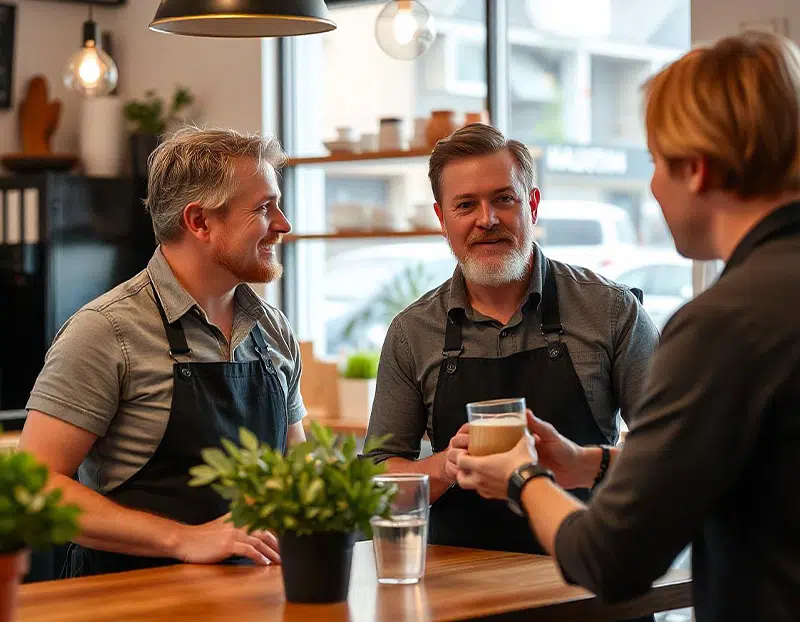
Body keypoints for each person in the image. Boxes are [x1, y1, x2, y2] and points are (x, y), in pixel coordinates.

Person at [452, 31, 800, 621]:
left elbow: (611, 559)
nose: (653, 186)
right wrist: (591, 464)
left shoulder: (723, 324)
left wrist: (522, 477)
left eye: (657, 162)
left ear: (698, 168)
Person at [18, 127, 307, 577]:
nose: (284, 224)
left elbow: (298, 471)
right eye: (264, 208)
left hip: (250, 595)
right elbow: (36, 484)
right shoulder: (106, 331)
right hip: (125, 596)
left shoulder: (274, 333)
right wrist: (184, 540)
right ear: (199, 222)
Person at [364, 123, 659, 555]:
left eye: (504, 199)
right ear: (442, 220)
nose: (488, 219)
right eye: (466, 205)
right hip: (461, 592)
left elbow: (668, 454)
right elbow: (376, 480)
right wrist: (443, 466)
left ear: (532, 205)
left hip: (588, 575)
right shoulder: (413, 332)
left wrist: (583, 463)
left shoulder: (611, 311)